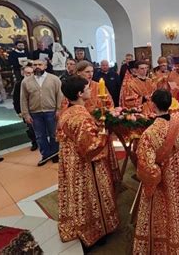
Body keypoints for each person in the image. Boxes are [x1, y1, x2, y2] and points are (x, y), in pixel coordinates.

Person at [57, 76, 119, 249]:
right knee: (90, 195)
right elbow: (92, 147)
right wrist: (105, 130)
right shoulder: (81, 117)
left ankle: (86, 227)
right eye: (86, 88)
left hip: (71, 159)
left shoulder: (68, 111)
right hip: (84, 163)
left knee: (79, 195)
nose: (90, 90)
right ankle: (95, 233)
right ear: (79, 93)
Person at [132, 89, 179, 254]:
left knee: (157, 205)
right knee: (173, 200)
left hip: (159, 174)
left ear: (153, 105)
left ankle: (157, 242)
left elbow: (146, 167)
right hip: (174, 169)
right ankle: (175, 233)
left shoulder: (149, 134)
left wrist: (152, 179)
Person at [20, 59, 62, 166]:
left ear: (45, 66)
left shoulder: (54, 79)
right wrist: (26, 114)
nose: (37, 66)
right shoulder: (26, 82)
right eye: (35, 65)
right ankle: (45, 155)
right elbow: (23, 99)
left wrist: (59, 110)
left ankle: (55, 154)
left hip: (51, 111)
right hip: (35, 113)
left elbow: (60, 96)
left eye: (40, 64)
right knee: (40, 136)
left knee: (54, 134)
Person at [13, 65, 37, 151]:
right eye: (28, 73)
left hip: (36, 108)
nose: (30, 75)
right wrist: (19, 111)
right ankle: (34, 142)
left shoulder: (37, 82)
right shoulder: (18, 85)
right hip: (26, 110)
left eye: (32, 73)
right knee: (30, 128)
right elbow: (16, 99)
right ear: (23, 73)